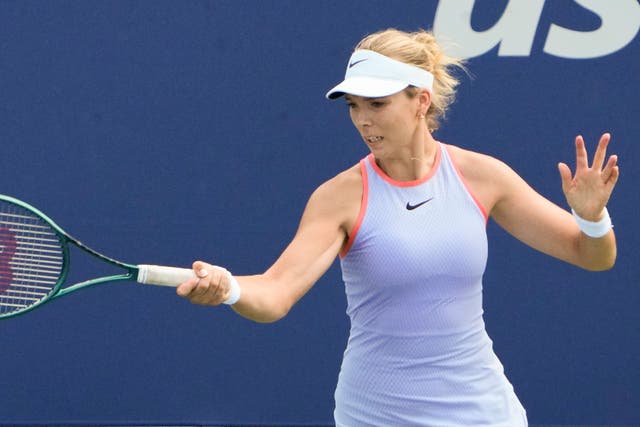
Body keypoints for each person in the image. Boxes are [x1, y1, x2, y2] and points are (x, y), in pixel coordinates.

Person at [176, 28, 619, 426]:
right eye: (354, 106)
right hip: (376, 415)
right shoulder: (340, 197)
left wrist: (592, 217)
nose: (363, 120)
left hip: (482, 412)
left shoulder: (483, 177)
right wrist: (229, 288)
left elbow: (592, 255)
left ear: (420, 100)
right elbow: (275, 294)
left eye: (377, 103)